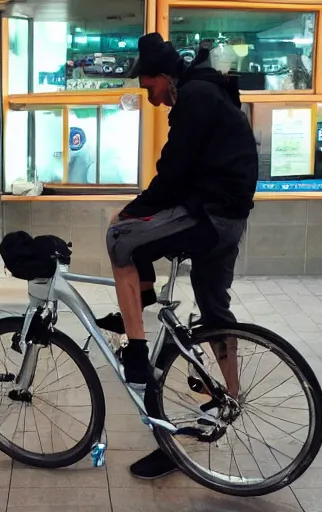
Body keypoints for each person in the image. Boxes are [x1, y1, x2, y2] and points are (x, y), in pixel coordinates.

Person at [98, 33, 258, 479]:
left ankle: (135, 344)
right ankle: (229, 395)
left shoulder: (194, 99)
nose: (151, 99)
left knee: (120, 238)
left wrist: (132, 210)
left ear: (165, 77)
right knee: (214, 311)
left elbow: (173, 172)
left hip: (208, 215)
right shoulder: (211, 93)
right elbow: (189, 171)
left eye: (149, 88)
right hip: (229, 218)